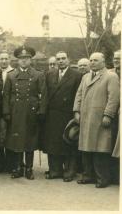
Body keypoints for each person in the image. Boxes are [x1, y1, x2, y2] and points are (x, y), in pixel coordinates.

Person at [73, 52, 120, 188]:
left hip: (100, 118)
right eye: (91, 60)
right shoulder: (86, 77)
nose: (92, 62)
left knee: (100, 149)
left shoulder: (111, 76)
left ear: (103, 62)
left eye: (95, 60)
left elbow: (114, 98)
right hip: (86, 117)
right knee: (86, 148)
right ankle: (88, 176)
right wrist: (76, 111)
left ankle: (102, 178)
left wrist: (108, 115)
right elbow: (79, 94)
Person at [3, 46, 47, 180]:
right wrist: (6, 112)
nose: (23, 61)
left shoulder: (38, 75)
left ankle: (28, 168)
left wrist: (41, 111)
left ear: (30, 60)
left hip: (31, 112)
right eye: (21, 58)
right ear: (17, 60)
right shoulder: (11, 76)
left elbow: (43, 94)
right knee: (16, 140)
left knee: (29, 140)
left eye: (26, 58)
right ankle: (17, 168)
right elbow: (6, 95)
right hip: (15, 112)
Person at [41, 51, 82, 182]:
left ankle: (69, 171)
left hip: (68, 114)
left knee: (68, 143)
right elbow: (45, 94)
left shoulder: (76, 75)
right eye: (58, 59)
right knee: (52, 143)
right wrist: (43, 112)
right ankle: (55, 170)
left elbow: (78, 96)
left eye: (63, 58)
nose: (60, 61)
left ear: (68, 60)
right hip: (52, 114)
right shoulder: (49, 74)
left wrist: (76, 112)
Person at [0, 50, 15, 173]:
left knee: (10, 135)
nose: (3, 61)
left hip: (10, 108)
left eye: (6, 58)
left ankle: (11, 164)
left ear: (9, 60)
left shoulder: (13, 73)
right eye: (1, 59)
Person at [109, 50, 120, 184]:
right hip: (112, 113)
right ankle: (113, 175)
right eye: (115, 58)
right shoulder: (110, 73)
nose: (116, 60)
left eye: (119, 58)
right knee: (110, 144)